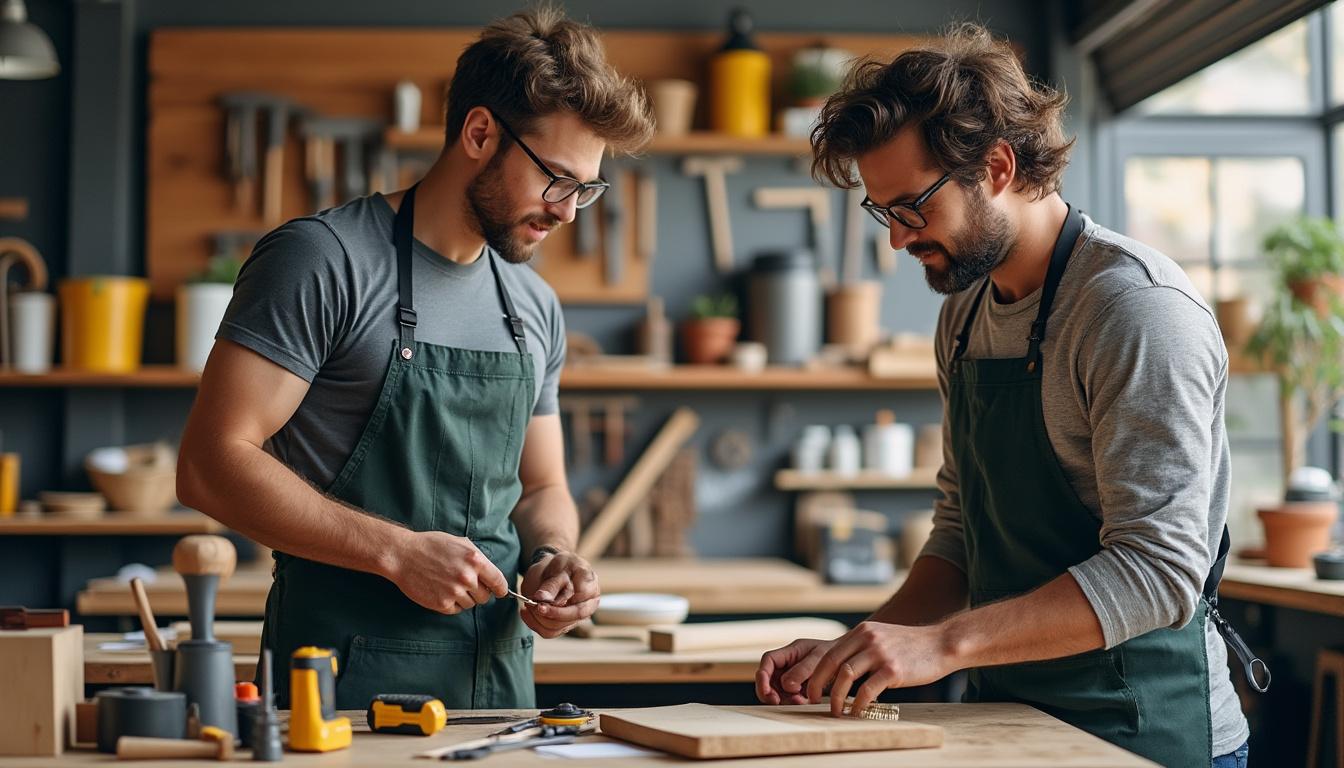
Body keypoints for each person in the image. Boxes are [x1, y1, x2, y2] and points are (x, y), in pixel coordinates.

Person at [754, 24, 1254, 768]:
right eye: (884, 212)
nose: (897, 240)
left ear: (995, 167)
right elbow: (961, 531)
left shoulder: (1134, 312)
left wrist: (941, 645)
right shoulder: (964, 313)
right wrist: (859, 649)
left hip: (1141, 731)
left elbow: (1159, 570)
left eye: (912, 207)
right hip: (1006, 723)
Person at [177, 6, 653, 709]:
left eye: (587, 188)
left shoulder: (533, 304)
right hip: (337, 695)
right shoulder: (323, 261)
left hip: (498, 695)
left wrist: (555, 557)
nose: (568, 212)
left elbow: (542, 487)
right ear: (480, 133)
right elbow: (210, 464)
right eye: (557, 179)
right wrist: (394, 552)